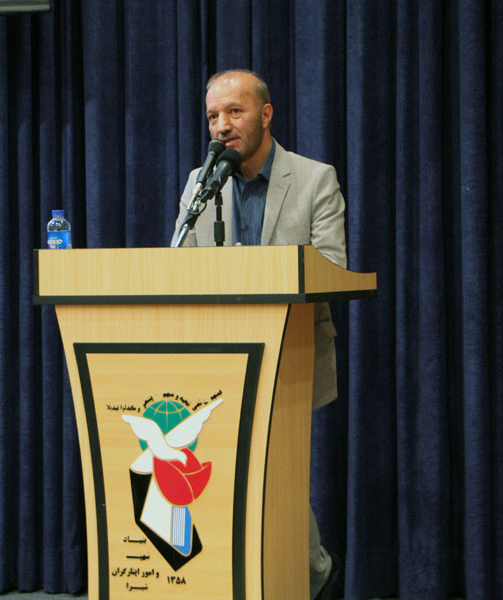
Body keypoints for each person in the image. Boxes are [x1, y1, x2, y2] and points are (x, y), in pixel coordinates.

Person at [170, 69, 345, 600]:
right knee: (234, 476)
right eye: (212, 117)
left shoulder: (314, 178)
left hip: (291, 354)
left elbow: (333, 268)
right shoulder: (200, 184)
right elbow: (176, 266)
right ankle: (270, 578)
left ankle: (309, 573)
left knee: (274, 472)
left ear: (265, 115)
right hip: (218, 357)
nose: (221, 126)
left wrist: (258, 271)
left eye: (234, 112)